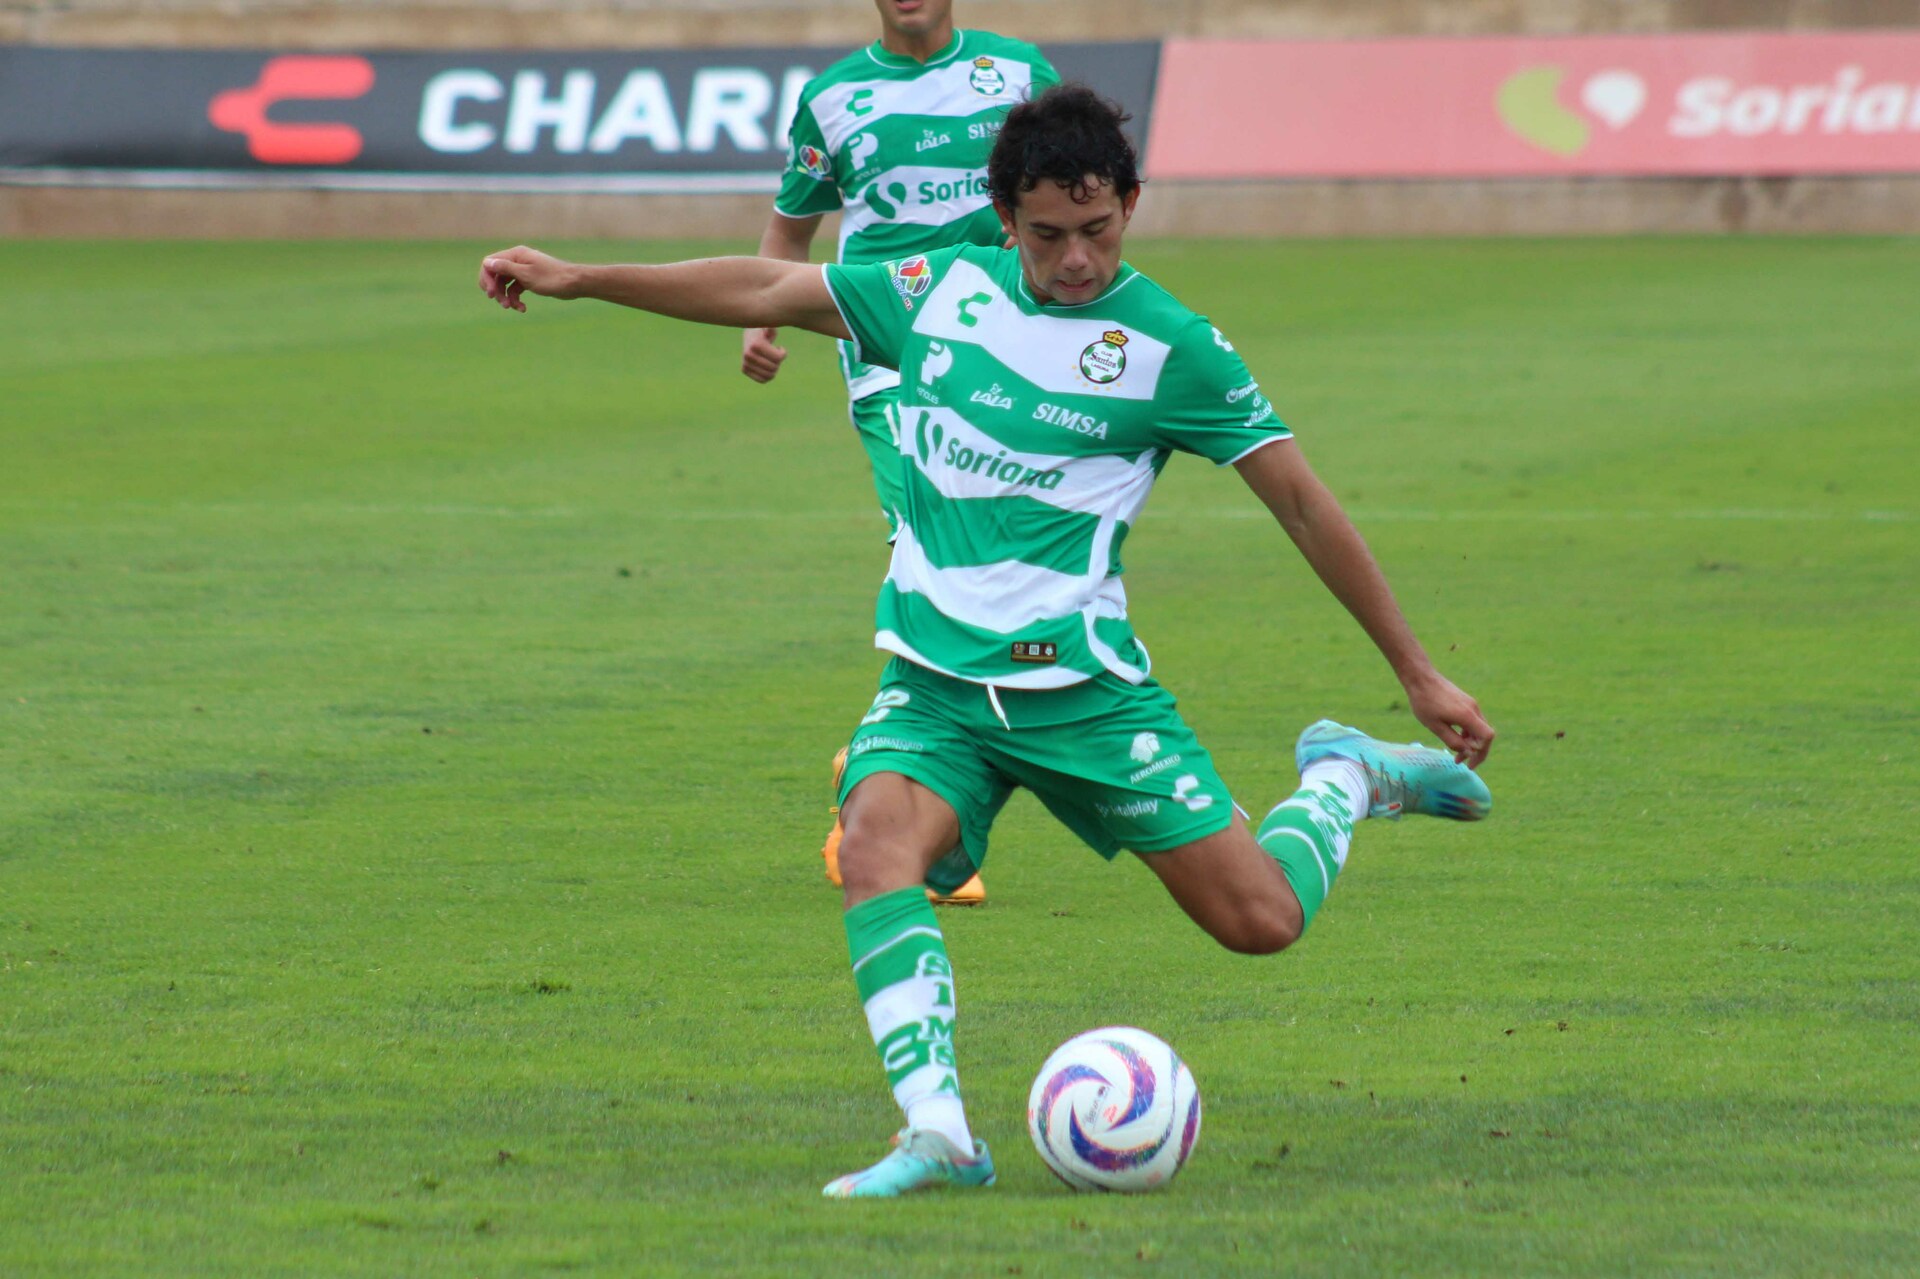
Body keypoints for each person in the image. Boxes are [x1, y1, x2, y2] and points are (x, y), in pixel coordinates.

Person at [477, 83, 1497, 1200]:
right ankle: (940, 1133)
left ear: (1131, 205)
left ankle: (1345, 775)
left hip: (1085, 698)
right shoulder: (939, 288)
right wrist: (584, 278)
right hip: (935, 684)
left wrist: (1416, 669)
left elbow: (1301, 502)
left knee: (1261, 921)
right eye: (1048, 234)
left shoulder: (1175, 349)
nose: (1074, 259)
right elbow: (773, 282)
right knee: (873, 846)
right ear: (1003, 216)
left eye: (1098, 230)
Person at [743, 0, 1061, 905]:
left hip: (1003, 354)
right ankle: (890, 810)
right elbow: (790, 235)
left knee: (1000, 562)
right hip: (889, 359)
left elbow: (1067, 206)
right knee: (932, 552)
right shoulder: (835, 96)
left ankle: (879, 765)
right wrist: (765, 319)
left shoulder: (1018, 74)